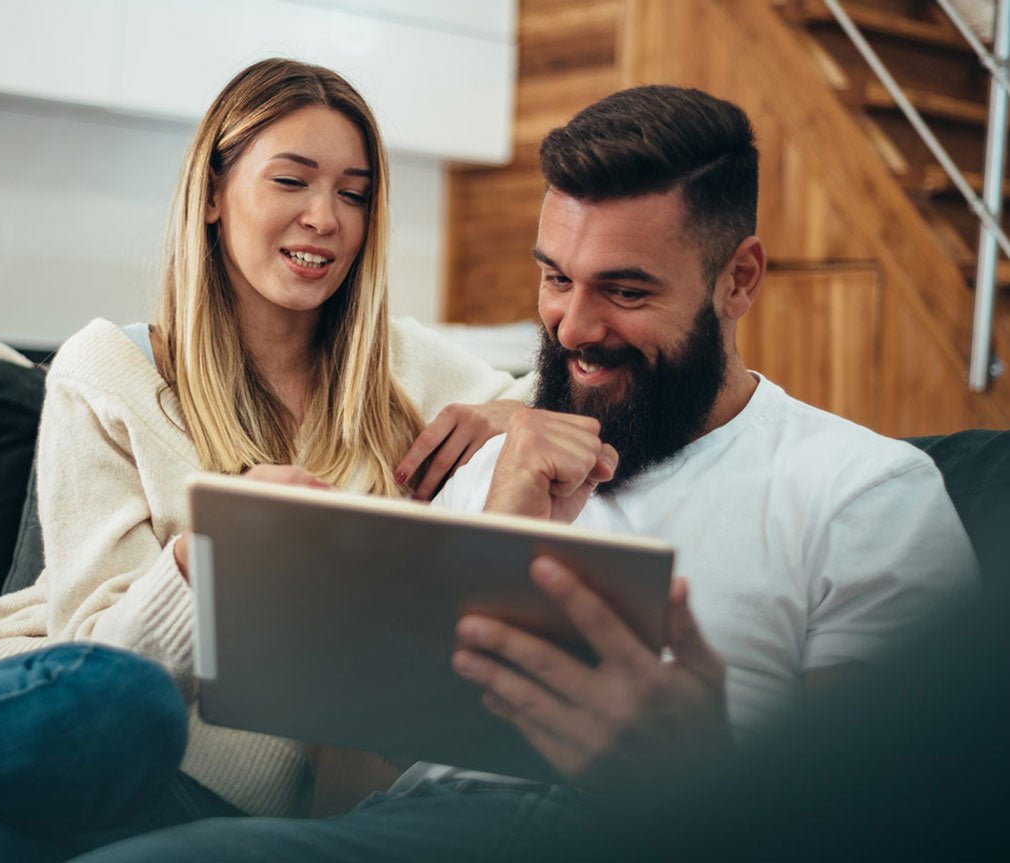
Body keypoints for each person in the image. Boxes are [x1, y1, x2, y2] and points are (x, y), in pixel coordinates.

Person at [52, 85, 980, 863]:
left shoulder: (865, 490)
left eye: (625, 290)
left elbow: (911, 816)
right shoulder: (486, 463)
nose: (573, 327)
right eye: (554, 278)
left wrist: (700, 768)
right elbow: (346, 776)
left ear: (738, 280)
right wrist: (492, 524)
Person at [0, 58, 533, 862]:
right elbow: (96, 654)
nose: (325, 217)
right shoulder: (107, 368)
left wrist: (506, 411)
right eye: (291, 181)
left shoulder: (405, 373)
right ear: (212, 193)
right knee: (127, 702)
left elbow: (569, 397)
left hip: (171, 801)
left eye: (353, 192)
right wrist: (205, 553)